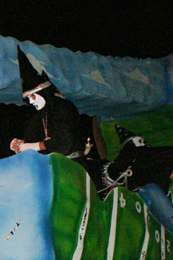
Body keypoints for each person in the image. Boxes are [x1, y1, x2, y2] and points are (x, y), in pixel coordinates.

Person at [10, 46, 105, 179]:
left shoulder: (64, 108)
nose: (31, 102)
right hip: (53, 171)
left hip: (73, 168)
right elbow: (32, 139)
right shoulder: (38, 118)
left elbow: (66, 142)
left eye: (33, 96)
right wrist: (21, 144)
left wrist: (36, 146)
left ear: (43, 92)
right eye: (28, 99)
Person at [99, 125, 173, 199]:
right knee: (147, 162)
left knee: (150, 161)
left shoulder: (146, 155)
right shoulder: (131, 154)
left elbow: (160, 177)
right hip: (134, 189)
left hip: (145, 184)